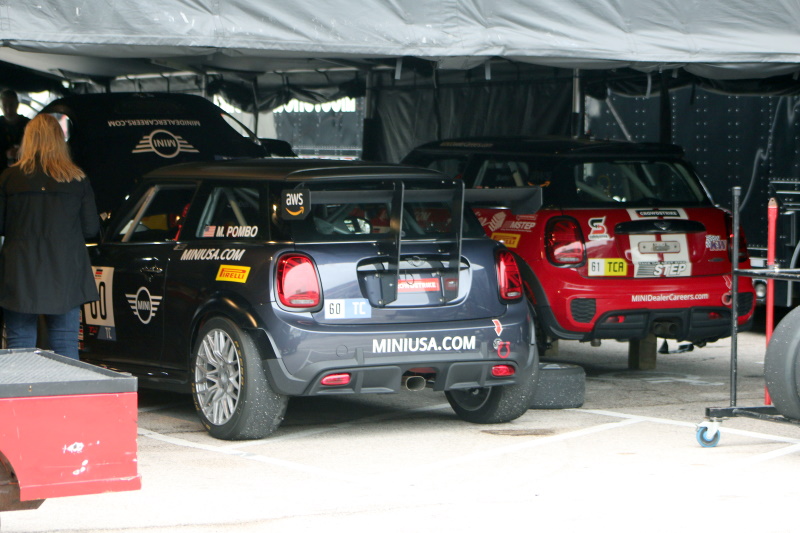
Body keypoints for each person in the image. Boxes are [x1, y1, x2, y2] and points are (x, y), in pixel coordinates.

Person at [0, 113, 100, 359]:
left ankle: (23, 396)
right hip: (65, 272)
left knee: (20, 344)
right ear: (60, 140)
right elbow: (91, 229)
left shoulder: (9, 178)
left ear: (28, 140)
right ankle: (67, 398)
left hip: (20, 272)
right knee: (65, 344)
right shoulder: (77, 179)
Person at [0, 89, 30, 168]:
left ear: (17, 104)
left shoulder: (29, 125)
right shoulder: (28, 124)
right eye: (5, 106)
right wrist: (5, 155)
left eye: (11, 105)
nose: (8, 110)